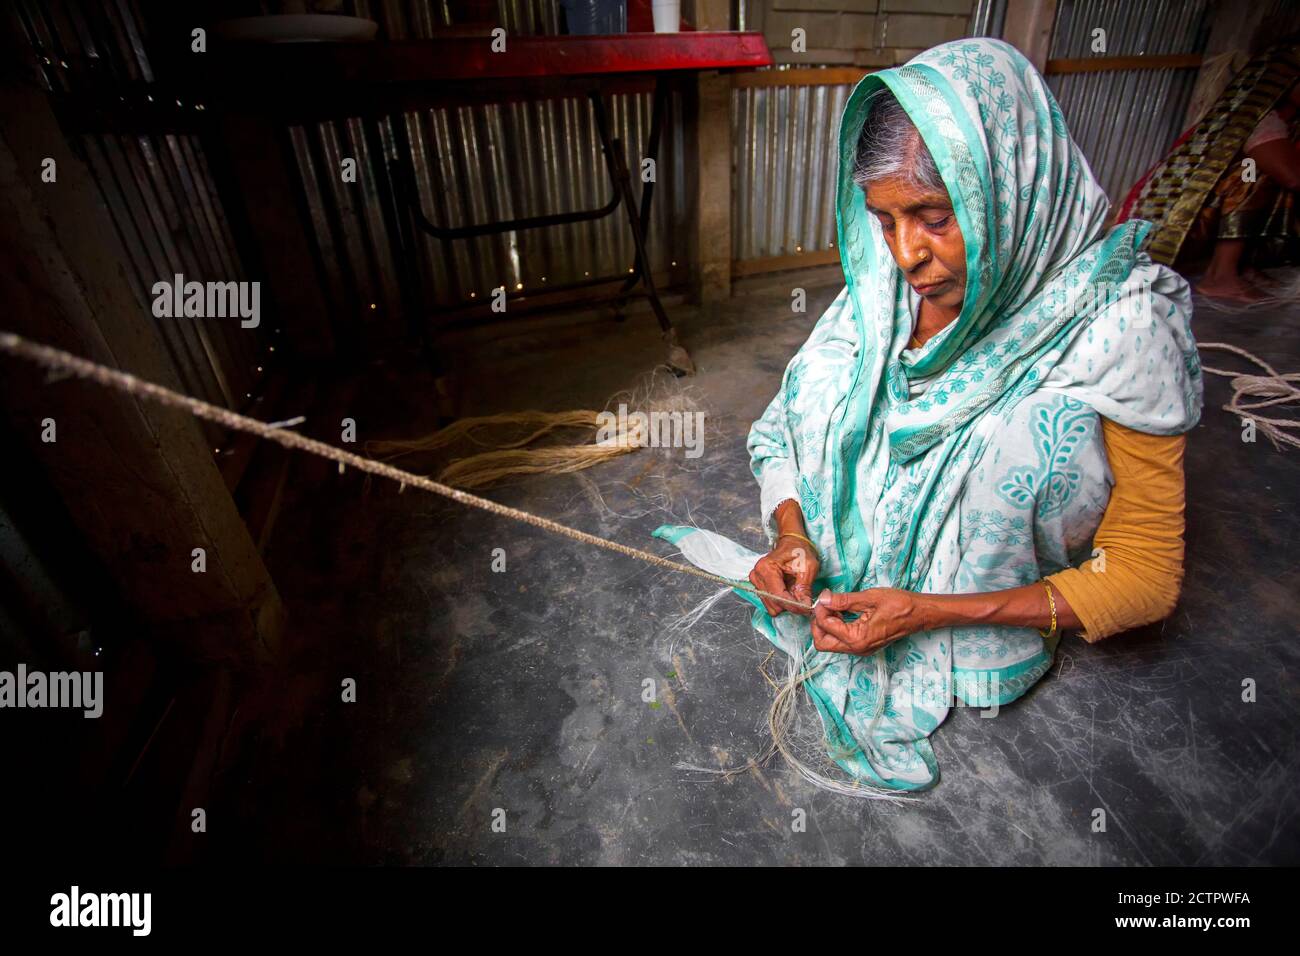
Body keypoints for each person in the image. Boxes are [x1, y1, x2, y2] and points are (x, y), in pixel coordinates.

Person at [653, 38, 1203, 792]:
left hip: (989, 607)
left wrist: (931, 613)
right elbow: (784, 421)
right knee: (828, 371)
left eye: (935, 217)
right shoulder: (888, 284)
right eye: (885, 220)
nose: (907, 253)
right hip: (852, 559)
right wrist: (793, 531)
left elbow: (1145, 575)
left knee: (1028, 432)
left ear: (1007, 195)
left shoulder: (1122, 325)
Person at [1118, 43, 1300, 301]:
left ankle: (1241, 266)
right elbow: (1292, 177)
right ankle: (1219, 276)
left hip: (1200, 222)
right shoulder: (1256, 116)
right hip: (1172, 224)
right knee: (1251, 174)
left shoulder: (1289, 119)